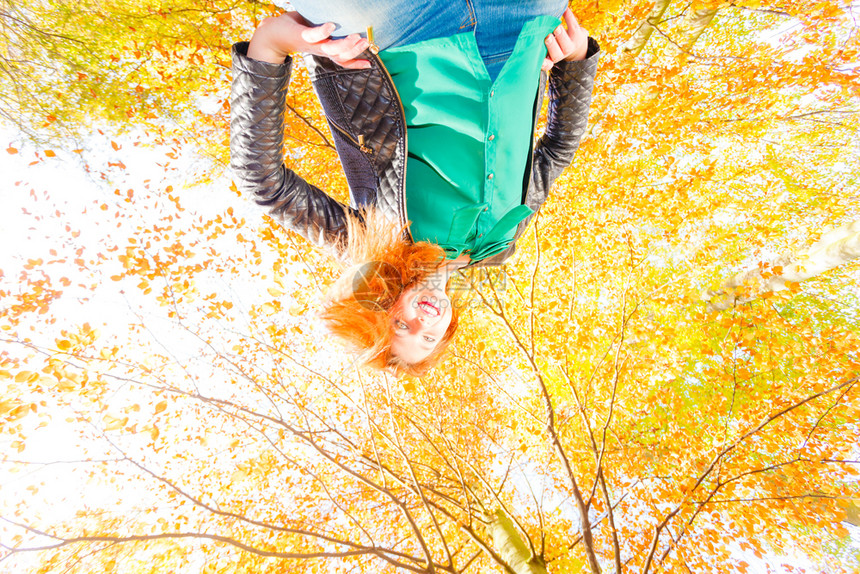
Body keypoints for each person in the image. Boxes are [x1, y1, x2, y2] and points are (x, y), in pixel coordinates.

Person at [230, 1, 600, 375]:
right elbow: (557, 150)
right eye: (428, 339)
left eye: (401, 326)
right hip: (522, 25)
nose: (424, 323)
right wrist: (577, 60)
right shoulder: (501, 243)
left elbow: (262, 182)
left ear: (378, 304)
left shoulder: (369, 240)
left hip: (408, 23)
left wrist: (272, 42)